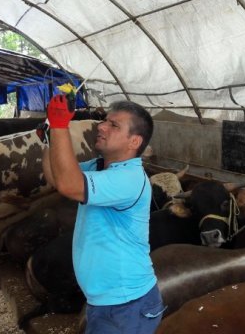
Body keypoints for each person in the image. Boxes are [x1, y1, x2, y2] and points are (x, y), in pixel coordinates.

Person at [42, 95, 164, 333]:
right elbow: (57, 178)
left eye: (114, 125)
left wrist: (59, 126)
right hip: (107, 301)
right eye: (105, 121)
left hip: (126, 305)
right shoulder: (100, 166)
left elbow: (69, 185)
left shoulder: (129, 178)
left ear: (134, 142)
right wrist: (49, 139)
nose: (101, 126)